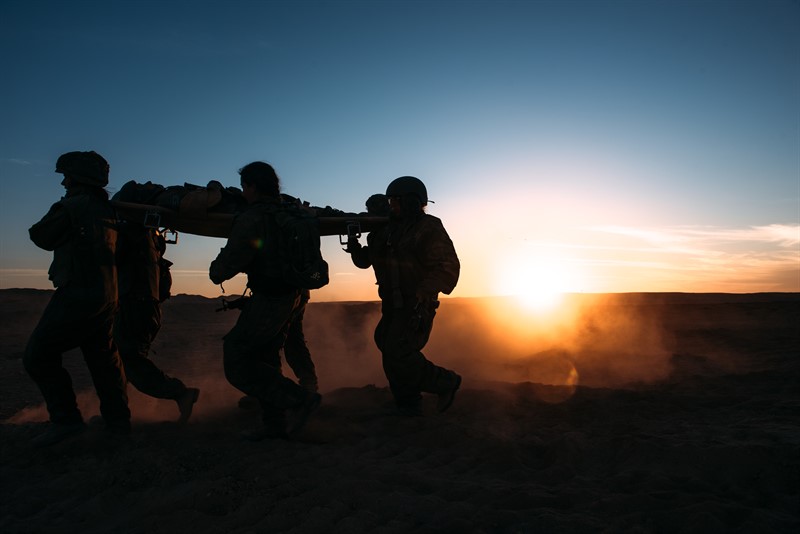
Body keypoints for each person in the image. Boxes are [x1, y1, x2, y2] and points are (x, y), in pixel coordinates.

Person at [24, 150, 130, 446]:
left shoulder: (74, 205)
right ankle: (118, 421)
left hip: (79, 294)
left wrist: (63, 211)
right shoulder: (109, 210)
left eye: (67, 176)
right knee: (103, 360)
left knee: (38, 355)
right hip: (107, 294)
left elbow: (41, 237)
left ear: (79, 178)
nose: (64, 183)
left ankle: (67, 421)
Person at [209, 161, 321, 440]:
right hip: (296, 296)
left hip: (272, 298)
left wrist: (217, 266)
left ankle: (300, 399)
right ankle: (275, 425)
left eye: (246, 187)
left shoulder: (253, 217)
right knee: (266, 356)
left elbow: (221, 270)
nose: (244, 192)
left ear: (252, 186)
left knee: (236, 355)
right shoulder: (292, 213)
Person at [346, 176, 462, 416]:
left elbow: (448, 267)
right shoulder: (386, 229)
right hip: (392, 303)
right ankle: (408, 403)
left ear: (411, 201)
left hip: (415, 302)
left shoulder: (428, 227)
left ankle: (445, 382)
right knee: (385, 344)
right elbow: (366, 261)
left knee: (398, 351)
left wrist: (424, 292)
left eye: (395, 201)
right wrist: (355, 245)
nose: (391, 206)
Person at [113, 212, 200, 424]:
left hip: (134, 306)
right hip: (144, 307)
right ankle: (115, 413)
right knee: (119, 360)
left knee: (129, 360)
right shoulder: (151, 238)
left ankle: (179, 393)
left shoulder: (131, 236)